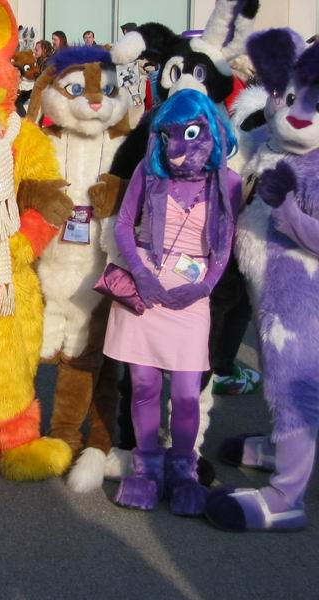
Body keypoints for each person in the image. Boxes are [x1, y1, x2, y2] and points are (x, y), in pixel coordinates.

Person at [104, 90, 241, 516]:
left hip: (191, 295)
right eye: (168, 136)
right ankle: (146, 470)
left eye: (190, 134)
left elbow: (225, 244)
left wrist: (204, 287)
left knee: (185, 392)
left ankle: (183, 471)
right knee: (144, 385)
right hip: (145, 288)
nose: (177, 148)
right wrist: (141, 274)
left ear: (210, 132)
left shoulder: (228, 182)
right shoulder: (149, 169)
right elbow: (124, 224)